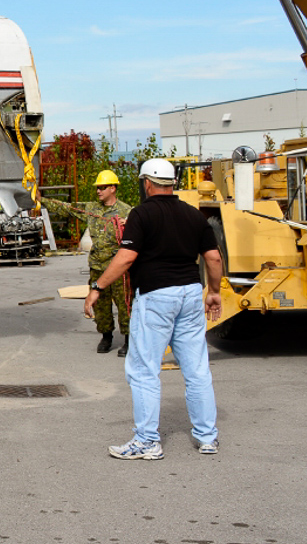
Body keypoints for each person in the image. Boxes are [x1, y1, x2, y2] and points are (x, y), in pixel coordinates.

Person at [85, 158, 222, 460]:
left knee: (144, 370)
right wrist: (213, 292)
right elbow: (213, 258)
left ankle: (147, 440)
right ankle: (207, 437)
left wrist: (98, 287)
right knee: (197, 370)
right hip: (190, 294)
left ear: (146, 183)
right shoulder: (193, 214)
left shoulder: (141, 214)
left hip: (156, 295)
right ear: (172, 183)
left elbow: (126, 257)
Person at [42, 170, 133, 355]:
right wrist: (40, 199)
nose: (98, 191)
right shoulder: (92, 209)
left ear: (113, 188)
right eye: (97, 188)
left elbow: (143, 229)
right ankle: (106, 336)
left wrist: (130, 224)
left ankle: (129, 339)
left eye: (102, 187)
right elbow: (67, 207)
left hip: (118, 270)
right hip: (98, 268)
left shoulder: (127, 211)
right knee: (101, 306)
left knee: (125, 305)